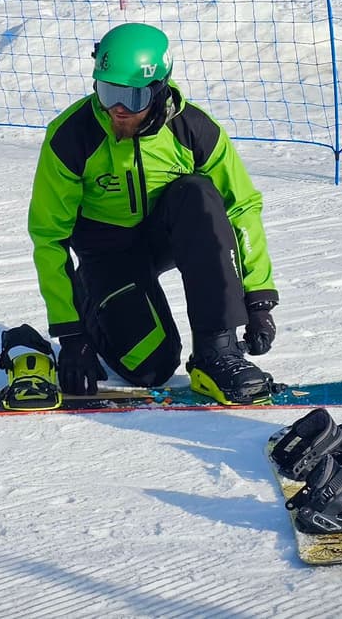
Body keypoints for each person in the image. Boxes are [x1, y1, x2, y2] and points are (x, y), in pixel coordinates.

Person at [27, 23, 279, 405]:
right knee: (151, 368)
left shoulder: (194, 130)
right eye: (109, 92)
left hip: (169, 235)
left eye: (133, 97)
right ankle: (98, 305)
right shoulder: (70, 137)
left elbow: (241, 206)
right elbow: (49, 236)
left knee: (198, 195)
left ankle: (217, 353)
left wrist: (258, 295)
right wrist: (72, 332)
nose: (118, 109)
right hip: (108, 251)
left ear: (159, 89)